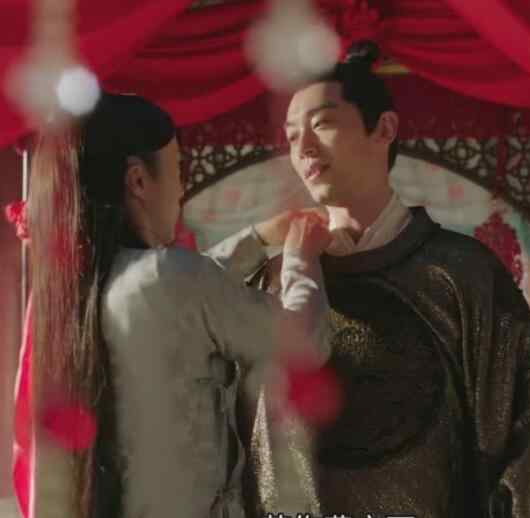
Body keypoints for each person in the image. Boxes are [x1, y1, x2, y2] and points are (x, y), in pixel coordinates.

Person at [219, 41, 530, 518]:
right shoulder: (270, 281)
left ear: (385, 128)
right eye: (291, 136)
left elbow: (526, 439)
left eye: (322, 124)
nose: (303, 149)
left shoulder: (463, 274)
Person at [25, 92, 331, 518]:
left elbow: (190, 291)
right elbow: (304, 341)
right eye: (177, 170)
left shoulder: (84, 290)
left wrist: (259, 238)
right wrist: (301, 257)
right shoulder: (168, 278)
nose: (183, 188)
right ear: (138, 181)